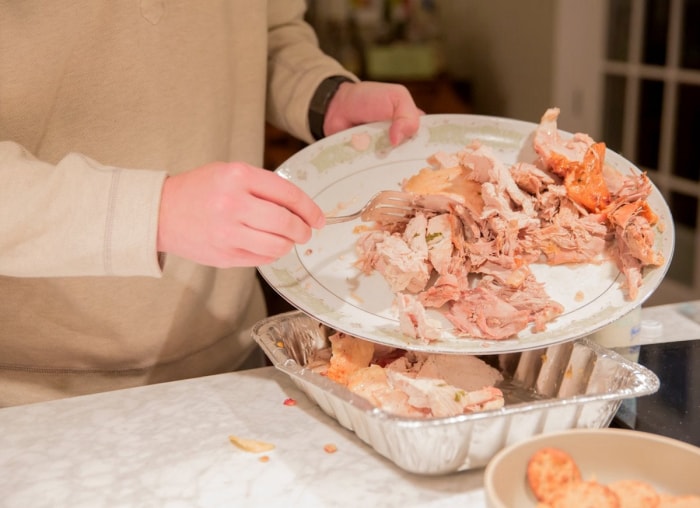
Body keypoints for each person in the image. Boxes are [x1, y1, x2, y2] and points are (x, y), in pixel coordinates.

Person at [0, 1, 422, 407]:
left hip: (235, 359)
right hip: (30, 393)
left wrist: (322, 95)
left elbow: (267, 33)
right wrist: (154, 212)